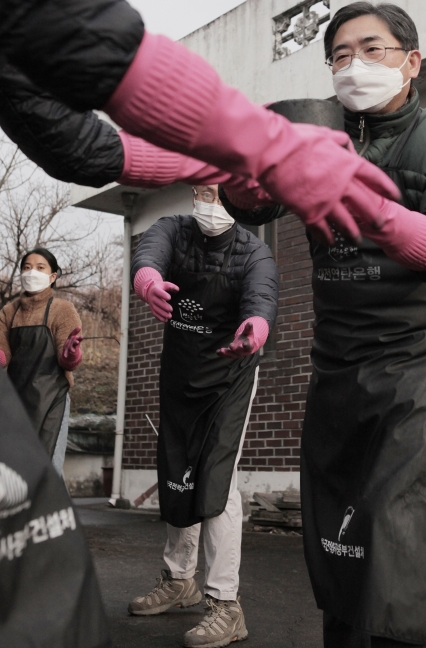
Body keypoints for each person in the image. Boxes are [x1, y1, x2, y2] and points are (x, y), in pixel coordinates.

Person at [0, 0, 396, 642]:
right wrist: (264, 145)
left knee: (50, 553)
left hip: (224, 368)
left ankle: (219, 596)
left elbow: (70, 136)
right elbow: (64, 10)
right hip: (171, 363)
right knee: (17, 570)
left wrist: (205, 164)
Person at [219, 3, 426, 648]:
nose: (353, 65)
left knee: (401, 534)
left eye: (372, 49)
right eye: (340, 55)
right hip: (339, 359)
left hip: (419, 361)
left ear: (412, 62)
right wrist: (243, 184)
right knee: (338, 536)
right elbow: (251, 199)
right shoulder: (318, 134)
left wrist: (361, 198)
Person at [129, 185, 279, 648]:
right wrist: (148, 282)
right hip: (181, 372)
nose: (206, 203)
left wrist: (255, 329)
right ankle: (179, 580)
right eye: (199, 191)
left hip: (228, 378)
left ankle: (226, 603)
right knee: (179, 474)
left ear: (234, 196)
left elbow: (262, 298)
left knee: (216, 479)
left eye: (215, 193)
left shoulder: (254, 251)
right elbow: (148, 253)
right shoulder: (174, 230)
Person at [0, 248, 83, 476]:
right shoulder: (9, 312)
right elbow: (1, 354)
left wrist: (71, 353)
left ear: (53, 276)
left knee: (49, 472)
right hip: (16, 401)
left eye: (40, 268)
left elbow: (68, 362)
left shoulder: (62, 310)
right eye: (27, 267)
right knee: (18, 472)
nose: (32, 272)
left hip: (52, 400)